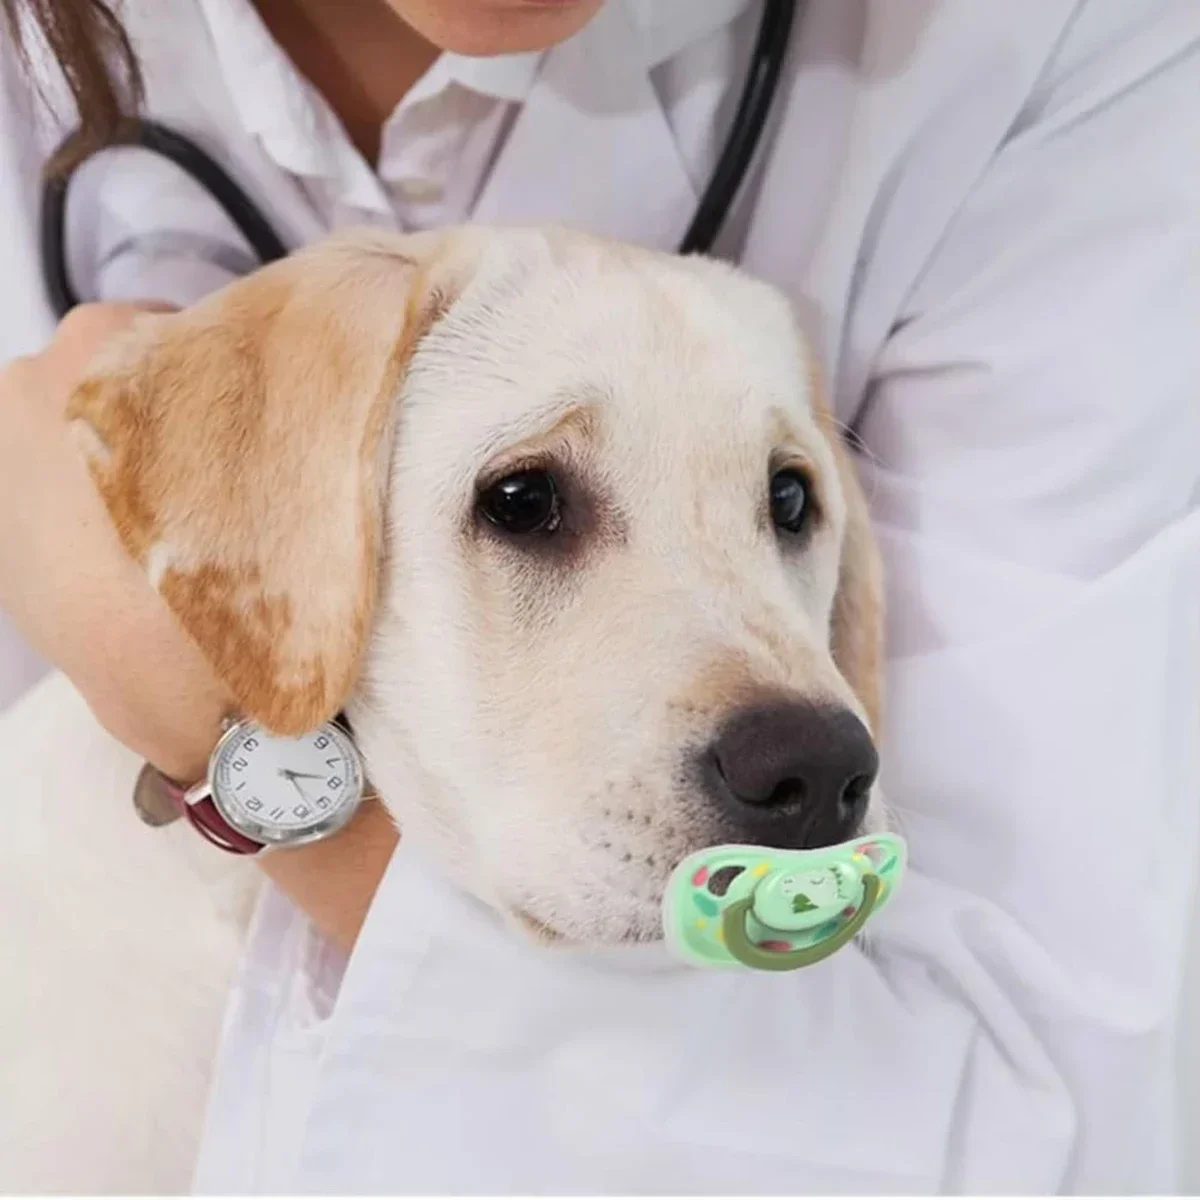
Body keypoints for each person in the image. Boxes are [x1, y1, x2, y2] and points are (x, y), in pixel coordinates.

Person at [0, 0, 1198, 1191]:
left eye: (788, 504)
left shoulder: (1075, 48)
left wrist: (183, 694)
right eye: (527, 503)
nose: (813, 729)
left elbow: (1062, 1114)